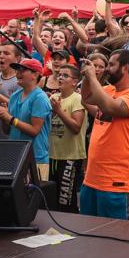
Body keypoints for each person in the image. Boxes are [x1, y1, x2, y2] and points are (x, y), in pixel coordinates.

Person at [78, 50, 129, 219]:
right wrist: (87, 77)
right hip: (93, 179)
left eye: (111, 65)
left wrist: (93, 77)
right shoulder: (108, 90)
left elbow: (111, 107)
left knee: (121, 233)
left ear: (125, 68)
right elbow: (86, 98)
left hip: (119, 182)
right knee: (88, 231)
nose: (106, 69)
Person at [0, 59, 51, 182]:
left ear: (35, 75)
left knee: (33, 193)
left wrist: (10, 118)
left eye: (23, 70)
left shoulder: (40, 98)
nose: (18, 73)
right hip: (15, 155)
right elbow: (7, 131)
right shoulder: (15, 96)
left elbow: (34, 130)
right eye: (17, 70)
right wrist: (4, 118)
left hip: (35, 158)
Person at [47, 64, 87, 213]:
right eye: (59, 75)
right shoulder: (54, 98)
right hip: (53, 155)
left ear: (74, 82)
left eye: (65, 75)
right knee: (52, 199)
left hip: (70, 156)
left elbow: (76, 127)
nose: (60, 78)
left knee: (66, 200)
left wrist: (58, 110)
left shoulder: (77, 99)